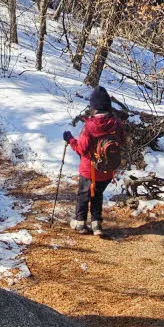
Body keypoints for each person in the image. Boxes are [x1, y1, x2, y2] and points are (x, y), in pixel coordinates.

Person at [62, 86, 127, 237]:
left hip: (89, 168)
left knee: (83, 194)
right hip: (107, 169)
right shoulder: (116, 124)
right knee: (97, 194)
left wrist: (70, 140)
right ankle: (97, 224)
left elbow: (82, 149)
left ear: (94, 107)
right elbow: (122, 142)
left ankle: (80, 223)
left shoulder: (90, 126)